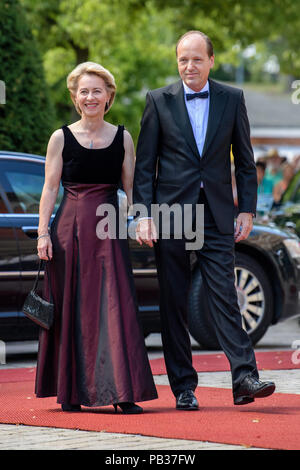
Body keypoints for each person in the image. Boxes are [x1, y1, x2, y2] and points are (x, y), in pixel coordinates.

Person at [133, 31, 275, 409]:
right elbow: (145, 166)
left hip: (216, 212)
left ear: (211, 61)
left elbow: (245, 161)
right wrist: (143, 215)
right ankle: (183, 386)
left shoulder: (232, 98)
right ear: (176, 62)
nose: (189, 66)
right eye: (183, 60)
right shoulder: (157, 101)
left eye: (197, 59)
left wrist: (246, 209)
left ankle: (244, 377)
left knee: (225, 295)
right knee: (174, 301)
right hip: (171, 212)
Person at [35, 62, 158, 413]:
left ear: (109, 96)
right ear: (75, 97)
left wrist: (143, 221)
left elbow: (131, 190)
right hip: (67, 232)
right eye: (83, 91)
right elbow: (49, 188)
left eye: (97, 91)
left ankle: (121, 393)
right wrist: (42, 234)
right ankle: (70, 391)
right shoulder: (60, 137)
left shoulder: (123, 137)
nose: (90, 97)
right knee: (72, 306)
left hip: (109, 233)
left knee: (113, 307)